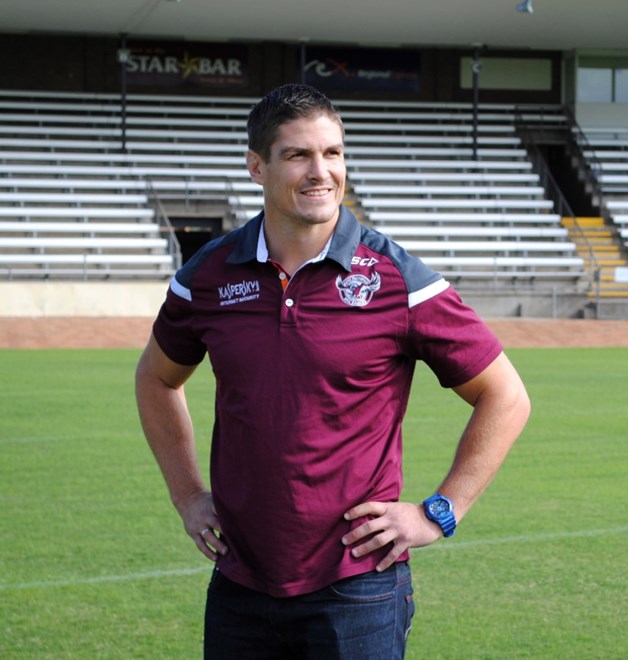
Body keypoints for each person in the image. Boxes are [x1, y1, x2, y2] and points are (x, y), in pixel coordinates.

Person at [135, 83, 530, 659]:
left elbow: (506, 395)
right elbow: (156, 377)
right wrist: (188, 495)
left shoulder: (396, 278)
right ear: (257, 167)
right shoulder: (210, 274)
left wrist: (440, 511)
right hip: (240, 581)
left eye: (333, 153)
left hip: (358, 587)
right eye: (298, 155)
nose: (321, 172)